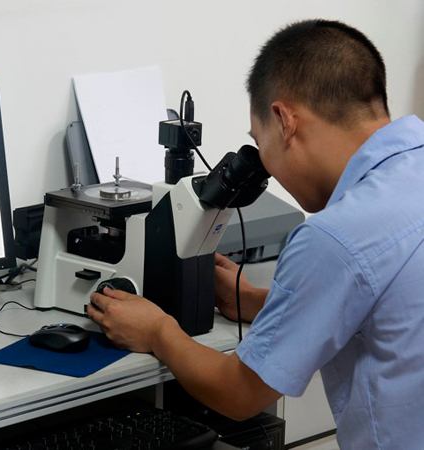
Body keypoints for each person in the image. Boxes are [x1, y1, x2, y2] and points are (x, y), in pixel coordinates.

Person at [87, 19, 424, 449]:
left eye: (259, 142)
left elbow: (239, 394)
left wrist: (156, 330)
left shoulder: (337, 237)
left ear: (284, 121)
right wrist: (254, 300)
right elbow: (387, 303)